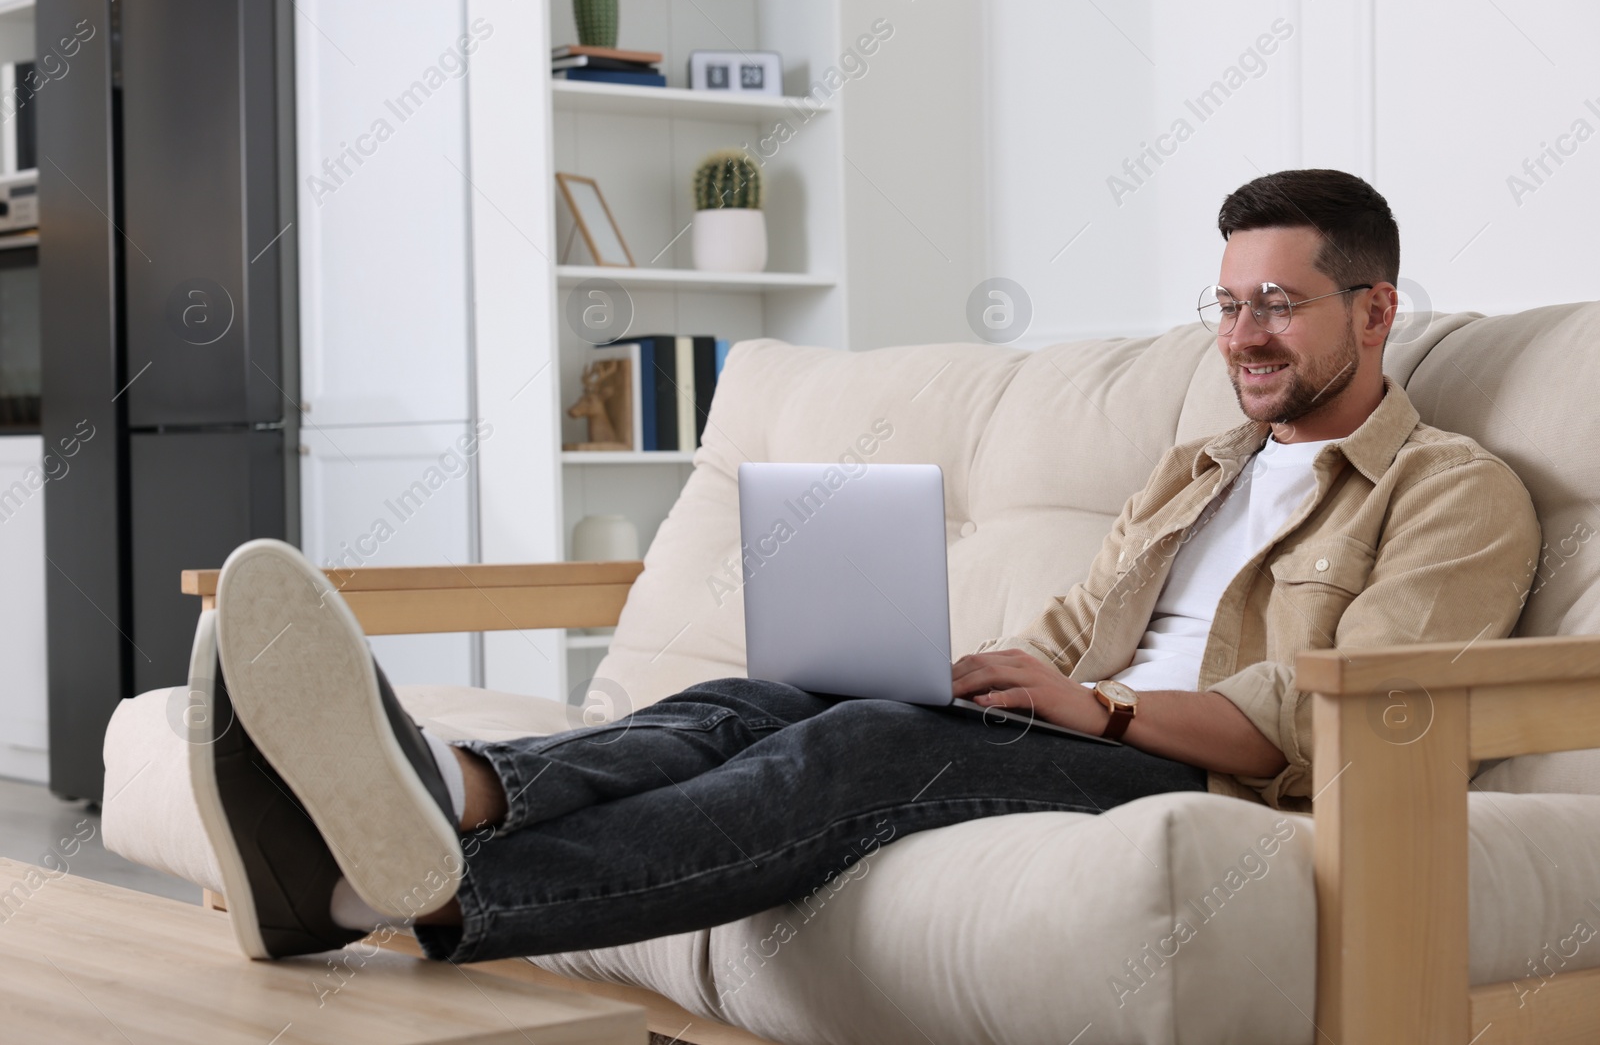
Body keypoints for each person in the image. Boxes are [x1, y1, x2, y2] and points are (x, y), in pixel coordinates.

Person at [196, 169, 1540, 963]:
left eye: (1280, 305)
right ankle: (448, 792)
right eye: (1229, 303)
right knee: (766, 702)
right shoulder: (1201, 465)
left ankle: (431, 885)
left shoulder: (1455, 497)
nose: (1244, 335)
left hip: (1201, 774)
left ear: (1376, 311)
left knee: (864, 750)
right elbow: (1076, 619)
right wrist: (1000, 672)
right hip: (1081, 732)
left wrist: (1107, 710)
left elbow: (1334, 722)